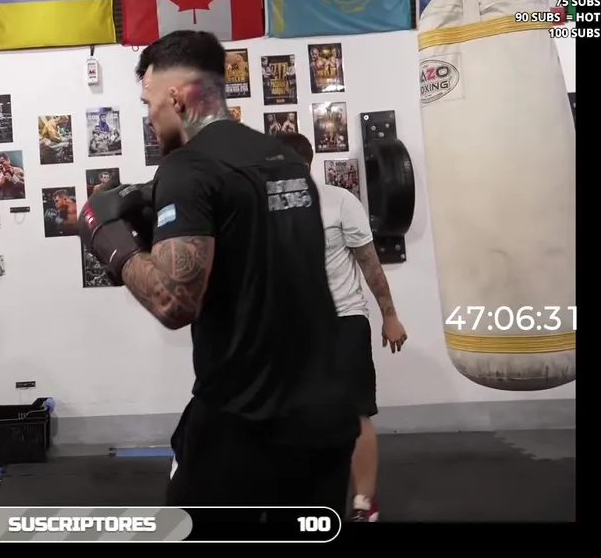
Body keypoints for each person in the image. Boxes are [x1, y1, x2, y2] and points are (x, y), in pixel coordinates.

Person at [78, 30, 360, 512]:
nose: (149, 118)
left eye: (149, 103)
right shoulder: (285, 162)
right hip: (327, 417)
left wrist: (114, 247)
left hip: (246, 422)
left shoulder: (188, 167)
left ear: (176, 97)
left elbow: (174, 302)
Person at [277, 132, 407, 523]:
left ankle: (364, 503)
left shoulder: (339, 201)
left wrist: (389, 315)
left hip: (343, 319)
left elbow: (369, 262)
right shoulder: (267, 209)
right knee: (295, 415)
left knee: (356, 414)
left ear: (306, 164)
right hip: (293, 326)